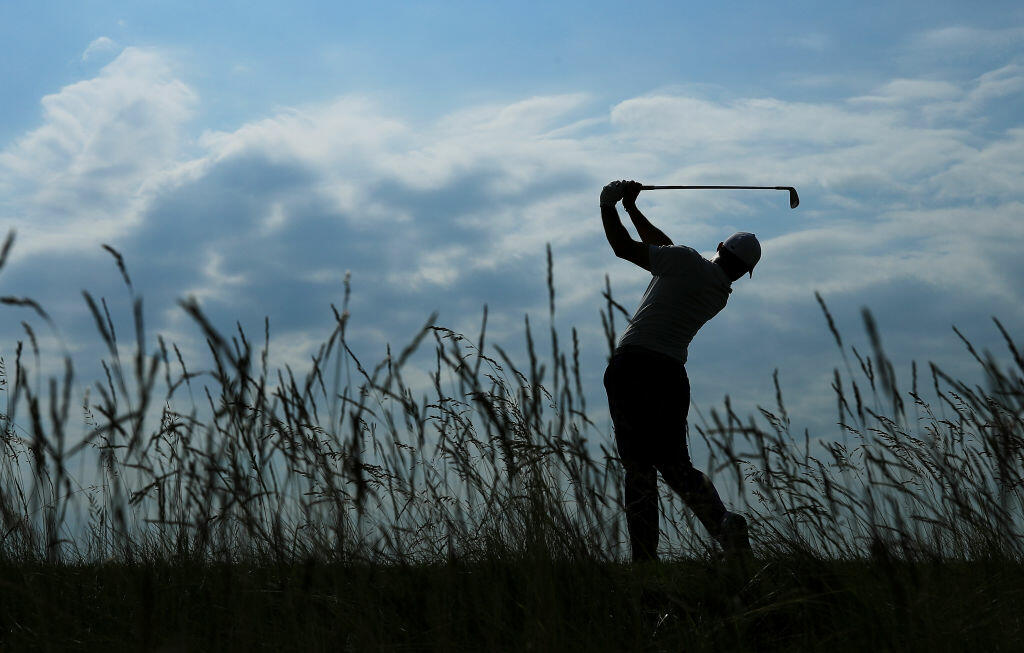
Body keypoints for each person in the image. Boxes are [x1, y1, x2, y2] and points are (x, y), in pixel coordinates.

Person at [600, 179, 758, 562]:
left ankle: (645, 559)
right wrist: (634, 210)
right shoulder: (716, 291)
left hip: (635, 364)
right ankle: (723, 525)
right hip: (672, 374)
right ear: (744, 272)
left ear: (719, 247)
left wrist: (608, 204)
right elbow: (667, 251)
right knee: (675, 465)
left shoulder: (687, 263)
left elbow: (625, 249)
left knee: (638, 467)